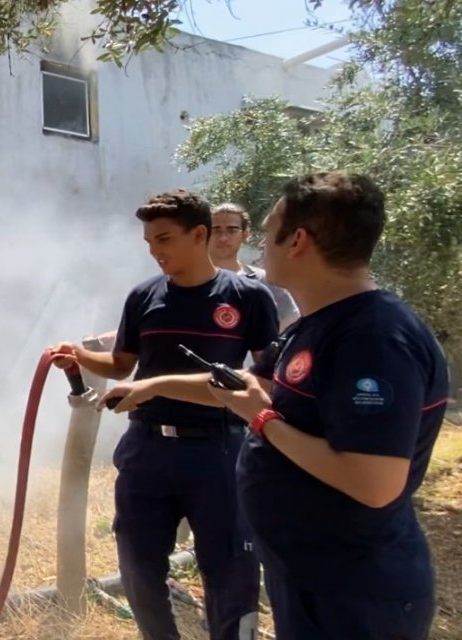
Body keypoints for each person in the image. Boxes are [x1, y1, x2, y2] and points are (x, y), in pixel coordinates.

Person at [102, 172, 449, 640]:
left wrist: (262, 421)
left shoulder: (374, 337)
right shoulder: (316, 325)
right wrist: (154, 385)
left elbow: (375, 482)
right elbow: (244, 386)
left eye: (266, 230)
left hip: (353, 591)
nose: (255, 243)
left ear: (299, 241)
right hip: (309, 575)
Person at [52, 189, 279, 640]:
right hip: (147, 448)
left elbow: (262, 384)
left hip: (220, 448)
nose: (155, 251)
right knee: (137, 565)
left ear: (199, 234)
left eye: (164, 239)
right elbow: (122, 364)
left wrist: (152, 387)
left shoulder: (249, 298)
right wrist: (77, 355)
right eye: (149, 242)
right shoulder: (143, 297)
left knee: (230, 568)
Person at [211, 202, 300, 329]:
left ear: (245, 234)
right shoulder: (189, 279)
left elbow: (291, 321)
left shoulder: (264, 280)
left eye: (232, 230)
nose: (223, 238)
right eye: (216, 230)